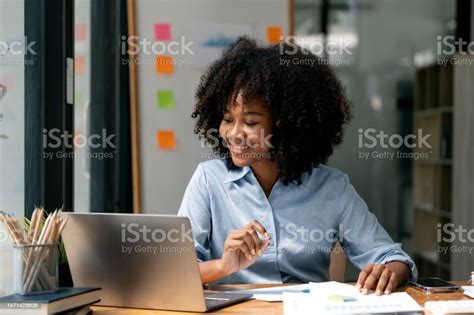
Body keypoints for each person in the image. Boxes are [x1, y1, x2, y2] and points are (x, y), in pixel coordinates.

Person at [178, 37, 417, 295]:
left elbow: (392, 257)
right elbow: (178, 271)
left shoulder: (332, 187)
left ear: (286, 124)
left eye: (249, 122)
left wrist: (388, 271)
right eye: (227, 119)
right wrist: (224, 266)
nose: (233, 133)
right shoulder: (208, 179)